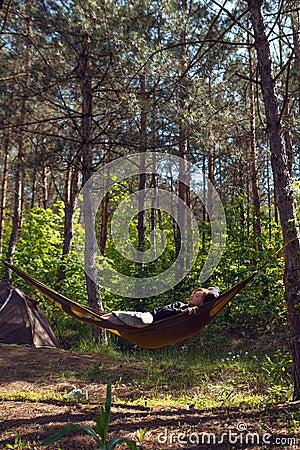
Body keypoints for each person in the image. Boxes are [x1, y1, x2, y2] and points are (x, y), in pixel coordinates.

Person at [150, 285, 220, 322]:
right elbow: (160, 312)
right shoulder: (179, 305)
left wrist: (215, 288)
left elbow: (213, 296)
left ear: (202, 302)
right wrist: (181, 311)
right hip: (150, 317)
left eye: (196, 296)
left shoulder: (199, 314)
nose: (192, 296)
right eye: (193, 294)